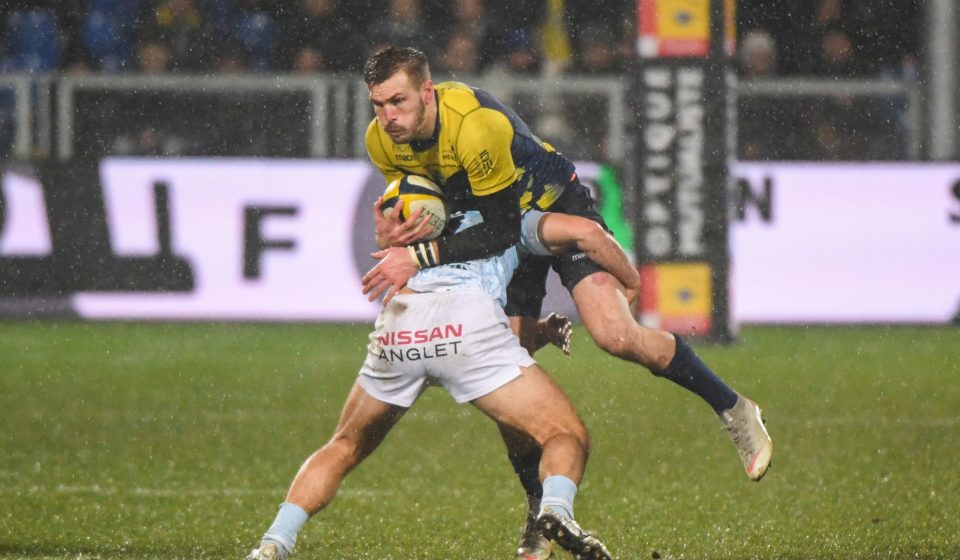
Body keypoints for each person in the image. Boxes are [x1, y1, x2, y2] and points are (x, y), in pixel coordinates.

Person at [359, 46, 773, 560]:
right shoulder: (381, 142)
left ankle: (733, 407)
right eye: (378, 104)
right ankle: (540, 512)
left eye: (397, 101)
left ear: (427, 92)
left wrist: (627, 280)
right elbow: (429, 210)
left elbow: (506, 226)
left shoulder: (475, 124)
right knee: (504, 383)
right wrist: (395, 230)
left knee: (617, 336)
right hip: (499, 232)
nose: (387, 116)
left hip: (546, 208)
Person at [243, 210, 616, 560]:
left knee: (344, 445)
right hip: (467, 325)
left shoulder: (422, 212)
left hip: (402, 323)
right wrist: (629, 283)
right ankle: (554, 511)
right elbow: (585, 232)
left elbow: (389, 235)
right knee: (565, 434)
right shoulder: (507, 214)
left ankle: (274, 543)